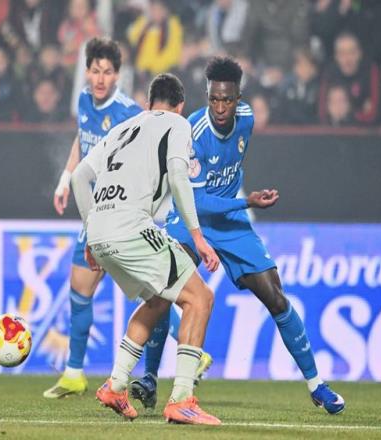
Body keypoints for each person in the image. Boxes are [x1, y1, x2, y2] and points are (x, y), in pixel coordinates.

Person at [133, 56, 346, 416]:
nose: (220, 108)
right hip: (191, 219)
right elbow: (197, 200)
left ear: (238, 99)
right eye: (214, 99)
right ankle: (150, 378)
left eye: (227, 100)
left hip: (231, 222)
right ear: (207, 96)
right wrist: (246, 201)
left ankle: (317, 385)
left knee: (275, 296)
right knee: (163, 290)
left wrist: (240, 204)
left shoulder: (247, 120)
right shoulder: (194, 132)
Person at [71, 72, 221, 425]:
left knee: (157, 301)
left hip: (101, 229)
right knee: (200, 298)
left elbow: (79, 177)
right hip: (131, 226)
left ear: (147, 103)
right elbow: (179, 176)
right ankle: (182, 399)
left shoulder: (122, 128)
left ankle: (115, 384)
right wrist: (197, 236)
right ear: (180, 106)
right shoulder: (178, 124)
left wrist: (90, 234)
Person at [43, 37, 143, 399]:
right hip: (93, 216)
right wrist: (65, 180)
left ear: (118, 76)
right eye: (96, 71)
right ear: (87, 72)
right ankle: (74, 374)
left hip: (118, 215)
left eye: (108, 72)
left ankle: (190, 343)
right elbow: (82, 141)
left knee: (151, 291)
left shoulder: (130, 113)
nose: (100, 78)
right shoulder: (84, 100)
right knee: (80, 291)